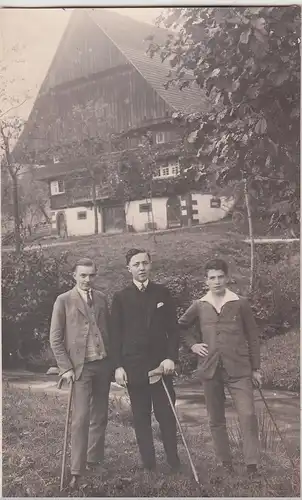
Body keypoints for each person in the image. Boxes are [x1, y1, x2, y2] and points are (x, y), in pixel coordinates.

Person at [178, 258, 262, 478]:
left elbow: (253, 336)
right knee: (216, 418)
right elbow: (181, 327)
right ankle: (225, 463)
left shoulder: (240, 303)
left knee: (248, 414)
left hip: (239, 368)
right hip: (210, 368)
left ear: (227, 277)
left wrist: (256, 368)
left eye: (220, 277)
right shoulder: (199, 304)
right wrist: (193, 345)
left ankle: (251, 465)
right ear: (205, 280)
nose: (216, 281)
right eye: (212, 278)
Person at [111, 248, 180, 472]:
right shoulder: (121, 297)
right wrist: (118, 366)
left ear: (150, 265)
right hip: (134, 367)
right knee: (141, 417)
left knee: (166, 417)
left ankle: (174, 462)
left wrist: (171, 357)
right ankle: (149, 465)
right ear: (128, 268)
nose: (141, 268)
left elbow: (173, 329)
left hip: (161, 367)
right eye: (136, 264)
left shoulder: (163, 293)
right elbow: (115, 334)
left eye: (145, 263)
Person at [50, 257, 112, 488]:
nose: (87, 280)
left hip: (102, 364)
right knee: (81, 417)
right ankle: (77, 470)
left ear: (96, 275)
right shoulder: (63, 300)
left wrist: (114, 364)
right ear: (74, 276)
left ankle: (94, 460)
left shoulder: (102, 299)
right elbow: (55, 338)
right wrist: (65, 367)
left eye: (91, 275)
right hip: (80, 368)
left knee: (100, 416)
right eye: (83, 275)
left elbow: (109, 331)